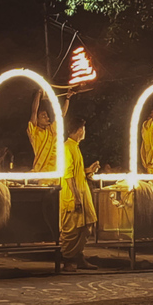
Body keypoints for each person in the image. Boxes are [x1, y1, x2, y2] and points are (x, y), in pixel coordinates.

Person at [60, 116, 100, 272]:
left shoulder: (75, 147)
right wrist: (76, 197)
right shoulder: (66, 148)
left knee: (87, 226)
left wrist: (89, 170)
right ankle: (68, 261)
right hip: (72, 195)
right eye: (83, 129)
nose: (84, 132)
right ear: (79, 130)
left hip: (82, 193)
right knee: (71, 230)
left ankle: (79, 257)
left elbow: (77, 173)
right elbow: (68, 175)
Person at [28, 88, 72, 173]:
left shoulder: (51, 130)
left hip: (55, 170)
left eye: (47, 116)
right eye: (43, 116)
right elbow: (34, 111)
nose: (47, 118)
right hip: (42, 171)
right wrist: (38, 94)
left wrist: (67, 98)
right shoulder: (34, 132)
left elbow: (61, 115)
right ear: (37, 119)